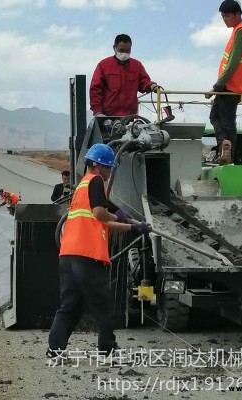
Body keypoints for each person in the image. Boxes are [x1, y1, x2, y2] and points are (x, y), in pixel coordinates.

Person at [47, 143, 152, 360]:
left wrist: (132, 225)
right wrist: (126, 221)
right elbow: (99, 213)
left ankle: (55, 351)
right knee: (103, 303)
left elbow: (102, 220)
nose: (109, 172)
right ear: (97, 165)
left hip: (68, 255)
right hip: (87, 255)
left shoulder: (81, 187)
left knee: (69, 306)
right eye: (108, 167)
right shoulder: (95, 180)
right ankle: (108, 349)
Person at [205, 0, 242, 165]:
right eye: (222, 16)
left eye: (227, 16)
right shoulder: (238, 30)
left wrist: (217, 86)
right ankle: (224, 146)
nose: (224, 19)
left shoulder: (241, 31)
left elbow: (232, 63)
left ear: (237, 14)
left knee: (227, 122)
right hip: (230, 86)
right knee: (215, 116)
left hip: (230, 86)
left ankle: (228, 153)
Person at [90, 34, 159, 117]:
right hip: (108, 117)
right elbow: (95, 89)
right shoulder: (103, 65)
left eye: (127, 50)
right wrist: (98, 112)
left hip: (130, 117)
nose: (124, 53)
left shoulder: (137, 65)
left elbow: (144, 81)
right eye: (121, 50)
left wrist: (151, 85)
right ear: (114, 48)